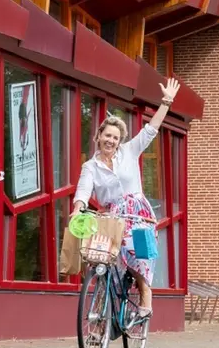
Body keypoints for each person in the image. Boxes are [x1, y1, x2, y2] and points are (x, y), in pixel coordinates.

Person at [71, 77, 181, 319]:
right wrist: (78, 209)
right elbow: (83, 190)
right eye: (107, 135)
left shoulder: (129, 152)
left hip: (136, 213)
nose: (111, 140)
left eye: (115, 137)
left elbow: (151, 130)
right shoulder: (90, 166)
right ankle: (106, 313)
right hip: (111, 216)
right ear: (99, 135)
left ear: (120, 141)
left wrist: (166, 102)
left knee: (134, 249)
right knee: (99, 255)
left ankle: (145, 295)